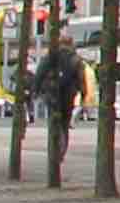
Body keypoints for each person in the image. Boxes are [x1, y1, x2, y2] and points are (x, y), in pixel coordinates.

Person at [34, 37, 85, 187]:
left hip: (52, 94)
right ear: (71, 44)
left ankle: (54, 150)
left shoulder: (50, 56)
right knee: (64, 123)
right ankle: (61, 151)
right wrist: (83, 93)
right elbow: (81, 78)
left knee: (54, 122)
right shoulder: (76, 60)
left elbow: (40, 73)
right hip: (68, 95)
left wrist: (36, 90)